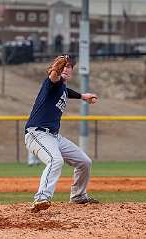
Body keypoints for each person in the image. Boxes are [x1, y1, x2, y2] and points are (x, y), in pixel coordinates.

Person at [24, 54, 99, 213]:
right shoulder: (50, 83)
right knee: (55, 160)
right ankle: (42, 198)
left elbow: (66, 91)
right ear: (57, 68)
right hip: (37, 134)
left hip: (53, 137)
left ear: (72, 71)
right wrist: (56, 69)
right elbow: (54, 78)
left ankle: (78, 195)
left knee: (84, 162)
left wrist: (83, 96)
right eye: (64, 66)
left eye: (69, 66)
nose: (66, 68)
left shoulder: (62, 88)